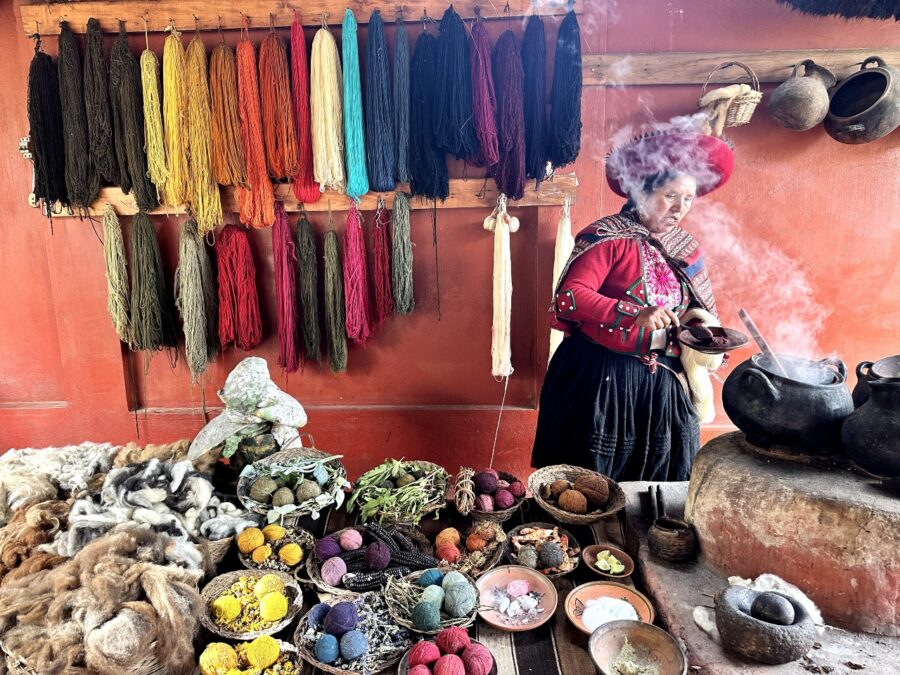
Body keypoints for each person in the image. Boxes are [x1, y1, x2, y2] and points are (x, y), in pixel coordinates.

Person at [531, 130, 734, 481]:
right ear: (641, 191)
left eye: (687, 199)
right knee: (591, 485)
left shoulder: (684, 248)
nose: (679, 208)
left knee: (663, 485)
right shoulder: (607, 237)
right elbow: (570, 297)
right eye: (669, 195)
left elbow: (694, 304)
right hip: (604, 381)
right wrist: (632, 313)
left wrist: (697, 327)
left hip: (664, 386)